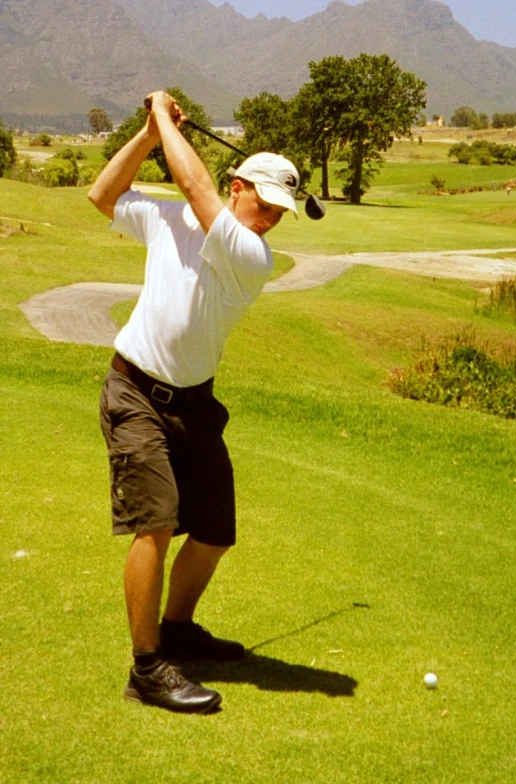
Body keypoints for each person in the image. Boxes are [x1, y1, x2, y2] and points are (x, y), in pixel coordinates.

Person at [88, 90, 300, 715]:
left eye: (282, 211)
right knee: (154, 524)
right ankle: (148, 666)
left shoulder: (250, 254)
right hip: (134, 390)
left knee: (213, 531)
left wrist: (161, 118)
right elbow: (103, 195)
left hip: (196, 402)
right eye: (265, 202)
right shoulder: (167, 220)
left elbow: (194, 180)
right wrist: (149, 136)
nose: (271, 218)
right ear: (241, 187)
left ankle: (178, 629)